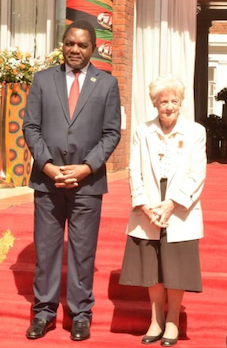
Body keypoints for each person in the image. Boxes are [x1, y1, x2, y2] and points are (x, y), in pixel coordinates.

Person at [23, 19, 121, 341]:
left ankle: (80, 315)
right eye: (69, 43)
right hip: (48, 182)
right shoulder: (42, 80)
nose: (74, 50)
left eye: (81, 45)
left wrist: (86, 167)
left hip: (87, 184)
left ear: (93, 48)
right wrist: (48, 166)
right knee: (47, 251)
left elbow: (111, 133)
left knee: (82, 252)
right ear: (62, 45)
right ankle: (44, 312)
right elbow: (31, 127)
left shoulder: (106, 84)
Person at [119, 74, 206, 347]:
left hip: (180, 208)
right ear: (155, 103)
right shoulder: (142, 131)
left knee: (176, 268)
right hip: (149, 208)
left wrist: (172, 204)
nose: (168, 106)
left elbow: (197, 173)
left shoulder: (195, 132)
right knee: (152, 268)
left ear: (181, 103)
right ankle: (155, 319)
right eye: (163, 101)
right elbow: (134, 169)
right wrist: (144, 204)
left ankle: (172, 320)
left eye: (174, 101)